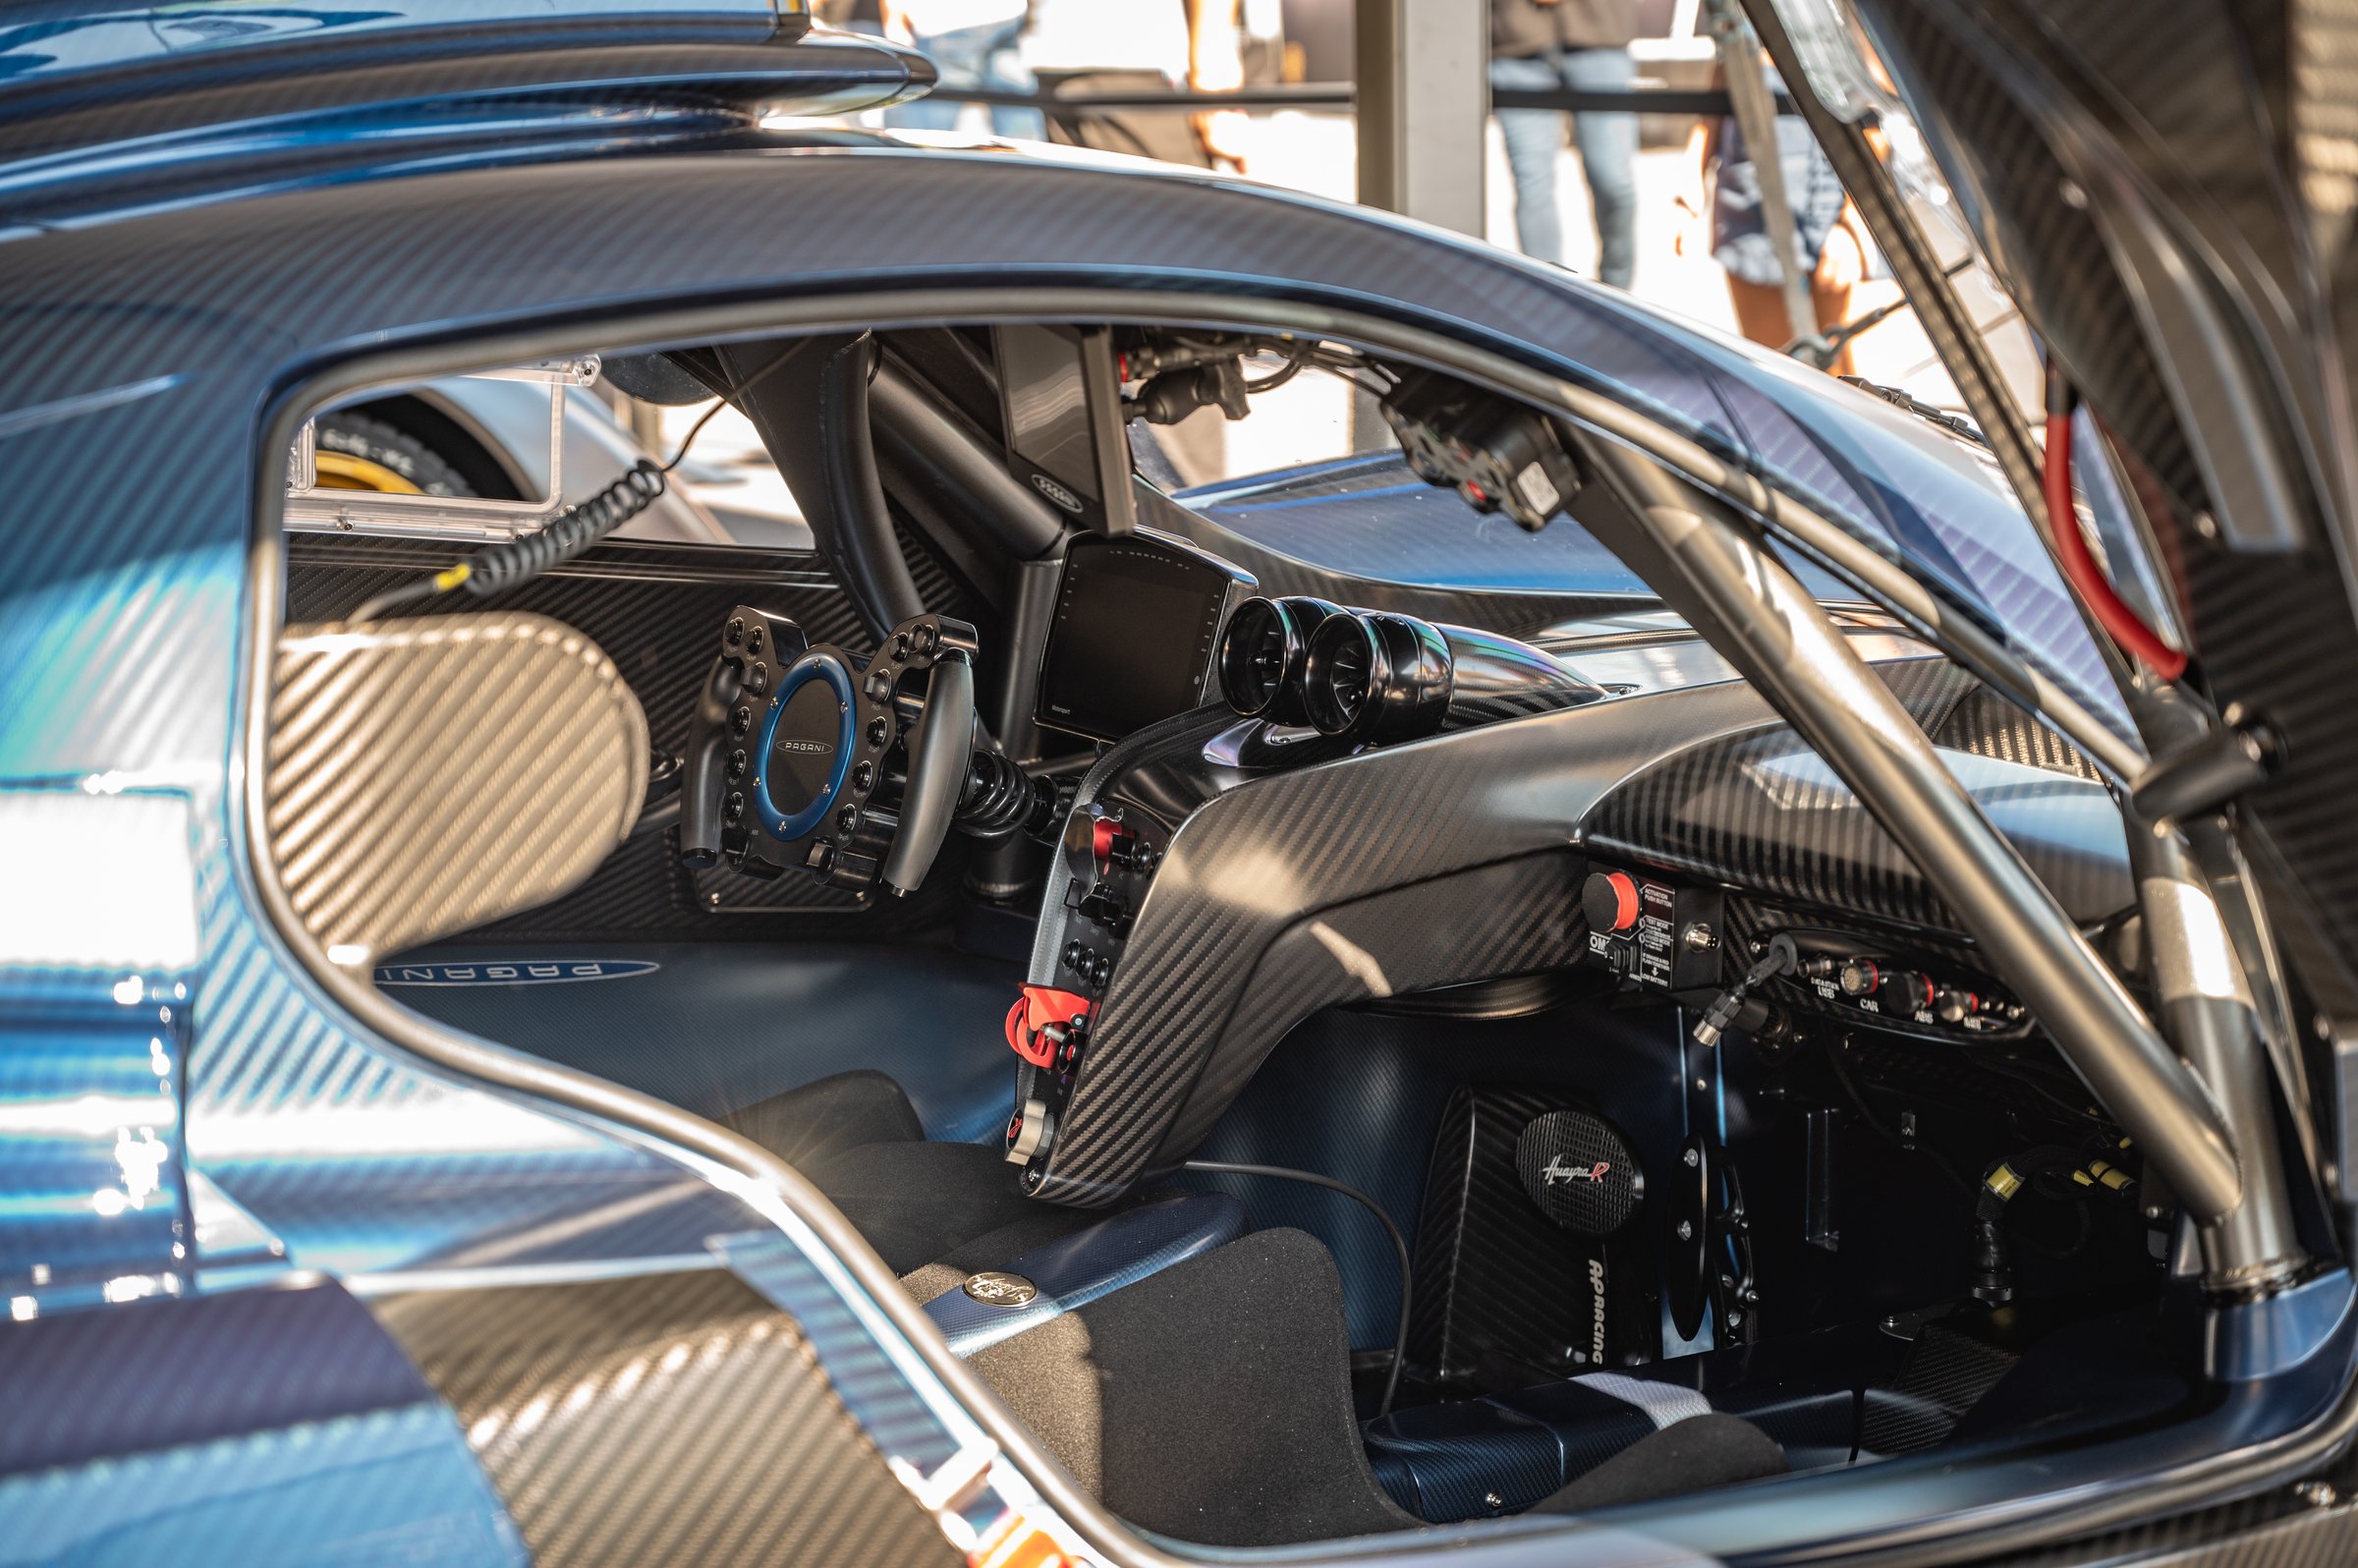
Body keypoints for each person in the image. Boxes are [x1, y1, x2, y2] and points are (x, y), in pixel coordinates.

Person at [1675, 56, 1870, 375]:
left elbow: (1875, 115)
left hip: (1827, 197)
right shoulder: (1740, 19)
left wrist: (1853, 223)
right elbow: (1716, 101)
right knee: (1773, 369)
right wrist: (1689, 192)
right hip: (1749, 205)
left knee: (1844, 378)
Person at [1488, 0, 1639, 289]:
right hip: (1514, 36)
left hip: (1600, 31)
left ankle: (1619, 300)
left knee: (1614, 182)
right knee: (1533, 184)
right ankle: (1550, 299)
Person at [881, 0, 1044, 140]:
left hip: (946, 20)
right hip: (1006, 15)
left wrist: (894, 18)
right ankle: (1039, 174)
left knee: (921, 142)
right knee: (1015, 114)